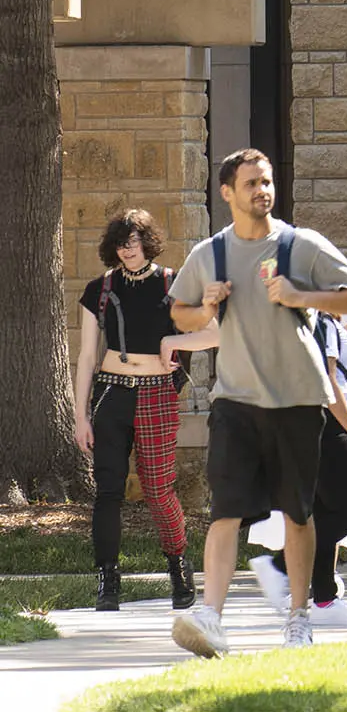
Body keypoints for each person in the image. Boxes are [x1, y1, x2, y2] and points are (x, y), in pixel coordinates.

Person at [168, 148, 347, 656]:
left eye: (267, 182)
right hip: (236, 401)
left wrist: (302, 296)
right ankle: (210, 617)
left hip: (299, 401)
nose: (262, 191)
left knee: (298, 515)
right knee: (225, 512)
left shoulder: (300, 245)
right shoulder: (210, 255)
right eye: (251, 184)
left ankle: (299, 616)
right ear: (227, 193)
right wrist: (207, 305)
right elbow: (180, 314)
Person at [74, 210, 218, 612]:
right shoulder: (99, 289)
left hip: (156, 392)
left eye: (134, 241)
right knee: (108, 490)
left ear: (147, 242)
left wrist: (174, 341)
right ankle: (107, 579)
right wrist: (79, 416)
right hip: (110, 394)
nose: (128, 250)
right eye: (121, 243)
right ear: (113, 248)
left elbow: (217, 332)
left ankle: (178, 566)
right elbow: (86, 357)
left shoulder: (174, 284)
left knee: (158, 488)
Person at [245, 310, 347, 627]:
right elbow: (327, 382)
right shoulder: (320, 322)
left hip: (306, 422)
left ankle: (324, 597)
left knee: (322, 512)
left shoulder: (316, 321)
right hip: (326, 425)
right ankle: (280, 567)